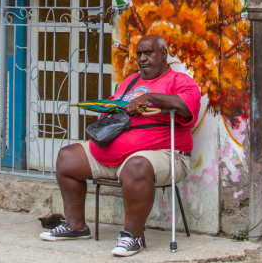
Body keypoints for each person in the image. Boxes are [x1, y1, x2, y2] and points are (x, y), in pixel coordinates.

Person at [40, 34, 201, 257]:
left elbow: (185, 106)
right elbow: (115, 104)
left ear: (164, 54)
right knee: (67, 158)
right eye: (139, 54)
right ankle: (75, 226)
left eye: (148, 53)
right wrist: (106, 106)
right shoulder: (131, 81)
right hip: (114, 156)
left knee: (135, 166)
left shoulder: (180, 81)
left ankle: (131, 236)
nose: (142, 58)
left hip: (166, 155)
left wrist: (150, 98)